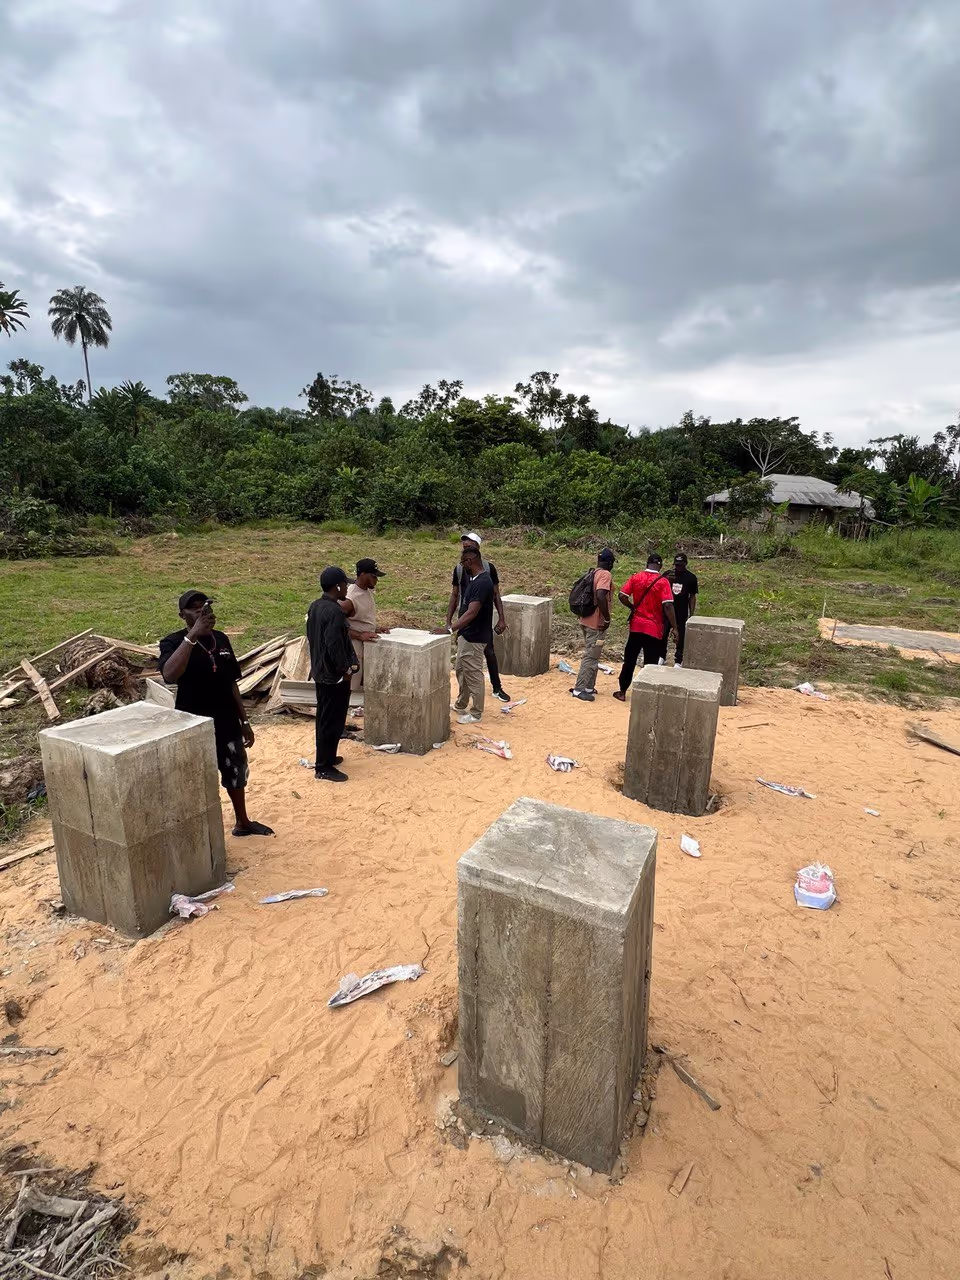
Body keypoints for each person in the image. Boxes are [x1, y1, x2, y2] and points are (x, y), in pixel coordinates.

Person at [159, 591, 274, 837]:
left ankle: (243, 822)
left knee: (236, 771)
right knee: (197, 777)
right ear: (182, 615)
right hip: (193, 724)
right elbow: (170, 675)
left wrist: (244, 721)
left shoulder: (221, 639)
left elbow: (232, 682)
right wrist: (192, 636)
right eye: (195, 608)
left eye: (205, 606)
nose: (203, 611)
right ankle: (199, 832)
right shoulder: (172, 642)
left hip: (226, 720)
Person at [306, 567, 359, 783]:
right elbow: (335, 646)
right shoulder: (335, 612)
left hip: (320, 672)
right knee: (332, 720)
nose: (347, 587)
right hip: (333, 676)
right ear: (337, 587)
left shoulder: (316, 606)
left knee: (325, 718)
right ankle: (323, 767)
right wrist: (346, 669)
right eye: (345, 584)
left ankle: (328, 757)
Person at [445, 532, 510, 703]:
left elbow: (496, 595)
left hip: (481, 618)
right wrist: (448, 621)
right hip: (464, 618)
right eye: (464, 546)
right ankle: (463, 698)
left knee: (489, 651)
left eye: (469, 546)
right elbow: (454, 594)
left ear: (477, 548)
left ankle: (497, 688)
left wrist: (501, 618)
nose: (465, 548)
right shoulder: (459, 569)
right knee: (463, 657)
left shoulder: (488, 569)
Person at [433, 544, 494, 723]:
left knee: (473, 674)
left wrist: (450, 628)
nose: (461, 566)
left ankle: (476, 713)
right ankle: (461, 703)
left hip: (475, 637)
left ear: (470, 561)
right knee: (461, 670)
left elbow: (471, 612)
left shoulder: (483, 582)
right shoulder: (475, 580)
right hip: (467, 635)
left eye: (463, 562)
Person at [612, 554, 678, 701]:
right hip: (654, 628)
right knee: (650, 663)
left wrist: (632, 607)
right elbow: (668, 605)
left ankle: (622, 691)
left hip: (636, 626)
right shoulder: (663, 582)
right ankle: (646, 696)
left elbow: (622, 595)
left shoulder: (636, 577)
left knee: (629, 660)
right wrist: (675, 627)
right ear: (660, 566)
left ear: (647, 563)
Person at [571, 549, 615, 702]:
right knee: (591, 656)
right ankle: (579, 689)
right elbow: (601, 595)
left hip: (585, 620)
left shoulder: (593, 572)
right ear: (610, 562)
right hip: (596, 624)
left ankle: (589, 686)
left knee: (594, 654)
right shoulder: (605, 575)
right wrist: (607, 618)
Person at [344, 558, 390, 692]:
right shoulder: (350, 599)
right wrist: (359, 635)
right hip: (354, 647)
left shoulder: (367, 590)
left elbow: (361, 618)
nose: (376, 580)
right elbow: (335, 626)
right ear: (362, 574)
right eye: (373, 576)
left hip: (366, 645)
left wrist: (374, 628)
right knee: (353, 686)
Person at [668, 553, 699, 666]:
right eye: (676, 565)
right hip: (667, 609)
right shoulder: (668, 575)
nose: (678, 568)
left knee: (681, 636)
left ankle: (678, 659)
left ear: (685, 564)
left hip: (681, 611)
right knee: (663, 633)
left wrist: (692, 613)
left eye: (680, 565)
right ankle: (661, 656)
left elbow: (692, 596)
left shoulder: (691, 578)